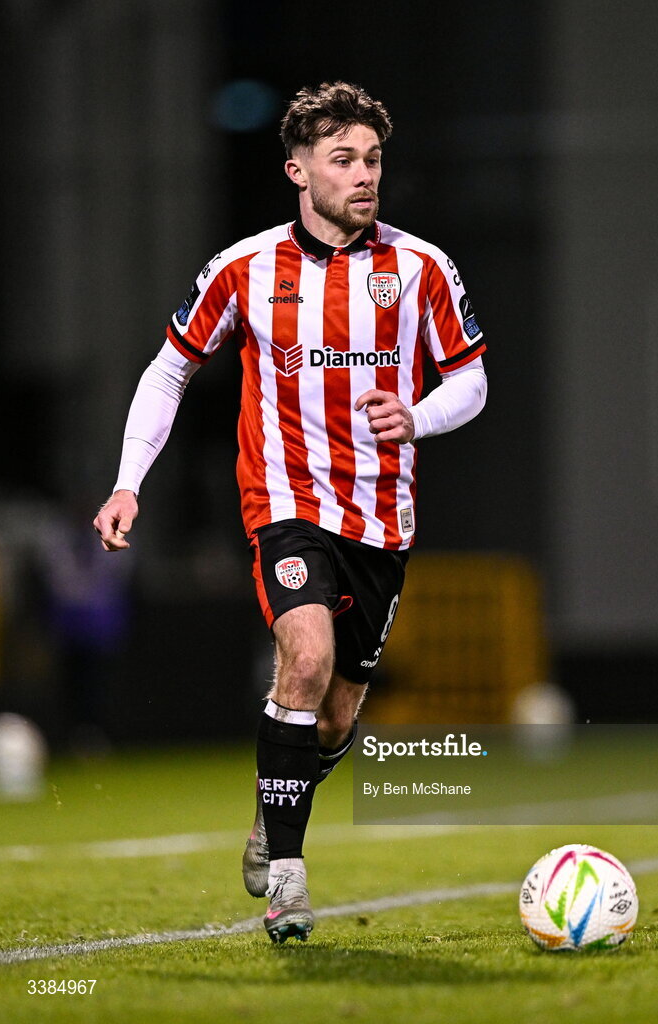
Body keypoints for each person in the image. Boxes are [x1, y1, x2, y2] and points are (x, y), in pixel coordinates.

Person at [93, 81, 487, 944]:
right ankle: (290, 883)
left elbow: (472, 379)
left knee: (338, 716)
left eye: (372, 159)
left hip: (382, 523)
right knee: (302, 659)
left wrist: (417, 415)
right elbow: (169, 370)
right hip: (286, 504)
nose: (363, 175)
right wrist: (129, 482)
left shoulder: (420, 267)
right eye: (342, 159)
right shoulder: (243, 269)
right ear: (296, 169)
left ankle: (276, 814)